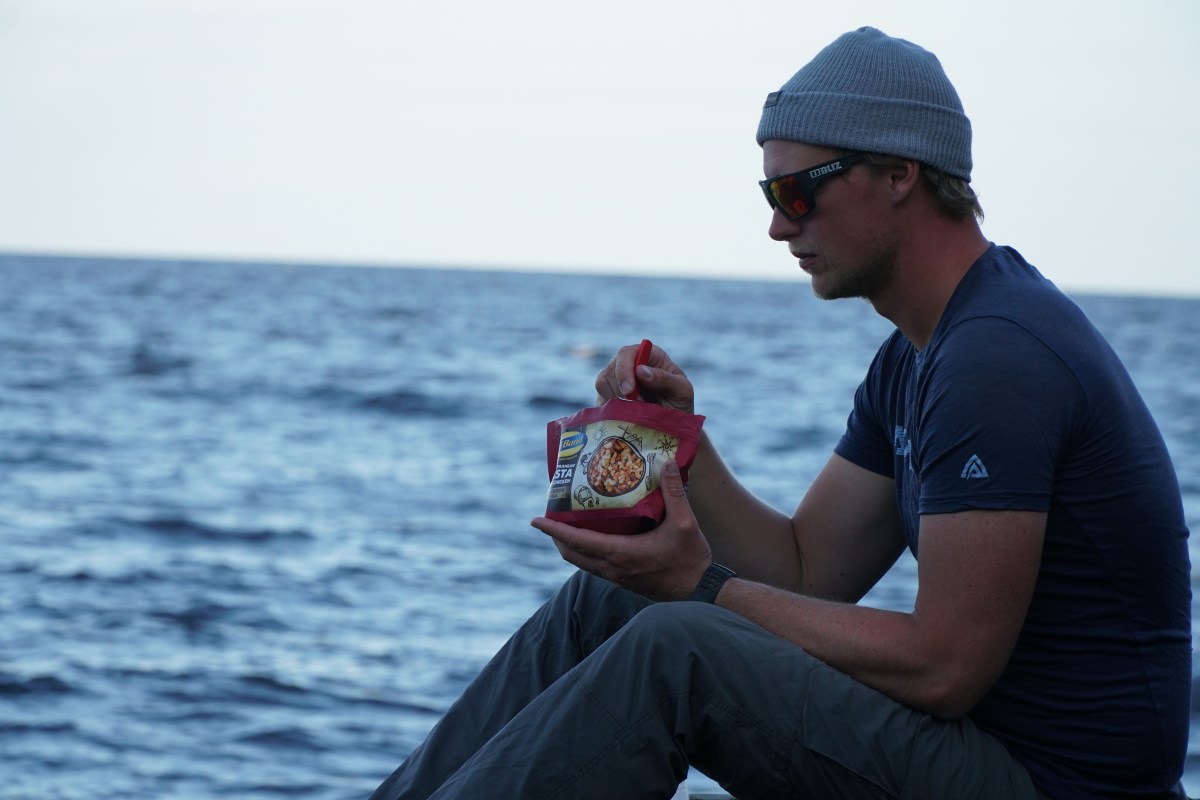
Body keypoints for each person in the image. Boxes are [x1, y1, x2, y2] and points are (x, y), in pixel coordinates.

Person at [369, 27, 1192, 800]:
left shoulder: (996, 357)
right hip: (975, 750)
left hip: (1051, 783)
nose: (775, 224)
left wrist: (702, 586)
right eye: (769, 193)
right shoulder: (917, 355)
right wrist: (682, 446)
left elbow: (944, 669)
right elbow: (806, 571)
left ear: (900, 173)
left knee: (675, 647)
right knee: (614, 602)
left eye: (796, 191)